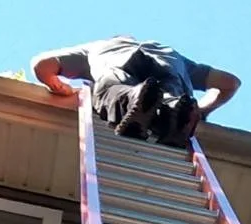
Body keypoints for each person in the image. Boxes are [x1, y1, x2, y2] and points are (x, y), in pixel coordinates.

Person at [30, 37, 240, 148]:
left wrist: (57, 86)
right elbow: (230, 83)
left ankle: (134, 99)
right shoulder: (175, 55)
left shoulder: (97, 48)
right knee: (171, 96)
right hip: (168, 63)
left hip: (114, 63)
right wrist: (203, 110)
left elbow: (43, 64)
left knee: (113, 88)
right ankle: (176, 113)